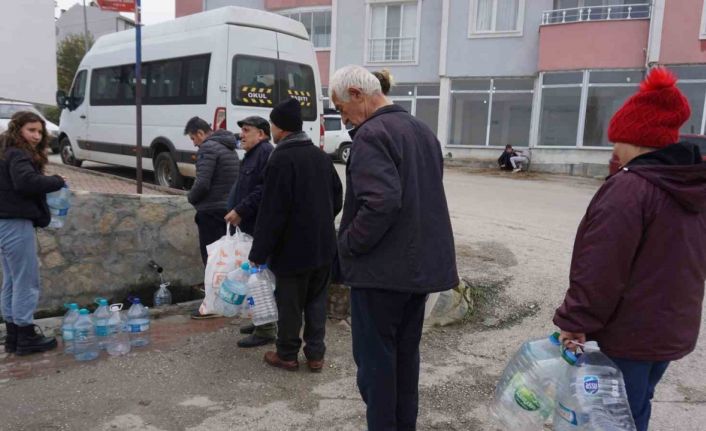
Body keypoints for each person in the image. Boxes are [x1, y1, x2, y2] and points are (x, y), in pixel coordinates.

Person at [554, 67, 706, 431]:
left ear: (635, 138)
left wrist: (575, 322)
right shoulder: (691, 184)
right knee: (635, 409)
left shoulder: (630, 189)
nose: (614, 148)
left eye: (617, 139)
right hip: (668, 331)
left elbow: (601, 267)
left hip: (627, 334)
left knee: (611, 417)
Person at [329, 65, 458, 431]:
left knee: (377, 368)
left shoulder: (372, 134)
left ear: (357, 93)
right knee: (404, 362)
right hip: (415, 272)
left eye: (342, 109)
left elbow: (382, 202)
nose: (344, 119)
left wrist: (349, 244)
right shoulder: (421, 129)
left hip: (381, 273)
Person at [248, 98, 343, 372]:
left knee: (290, 304)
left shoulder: (281, 159)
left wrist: (259, 252)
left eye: (273, 125)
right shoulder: (320, 156)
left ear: (281, 128)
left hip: (292, 251)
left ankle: (287, 354)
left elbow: (272, 211)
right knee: (316, 303)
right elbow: (337, 197)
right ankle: (315, 355)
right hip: (323, 247)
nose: (272, 130)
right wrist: (320, 221)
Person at [0, 111, 66, 356]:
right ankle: (25, 336)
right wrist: (56, 181)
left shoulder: (5, 151)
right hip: (15, 222)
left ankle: (13, 336)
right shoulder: (18, 153)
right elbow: (26, 183)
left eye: (40, 131)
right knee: (26, 281)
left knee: (11, 280)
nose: (37, 136)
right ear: (18, 130)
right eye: (31, 130)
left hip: (5, 221)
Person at [223, 116, 276, 347]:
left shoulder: (265, 153)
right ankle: (259, 321)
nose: (241, 135)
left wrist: (240, 209)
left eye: (246, 130)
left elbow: (263, 190)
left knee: (260, 279)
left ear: (262, 134)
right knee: (253, 277)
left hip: (258, 226)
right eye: (241, 130)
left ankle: (266, 330)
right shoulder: (253, 154)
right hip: (249, 226)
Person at [183, 117, 240, 319]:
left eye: (193, 138)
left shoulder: (208, 148)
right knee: (225, 261)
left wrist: (190, 198)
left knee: (212, 261)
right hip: (227, 211)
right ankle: (225, 302)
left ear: (200, 133)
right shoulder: (229, 147)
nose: (194, 143)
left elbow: (202, 183)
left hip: (210, 211)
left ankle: (212, 305)